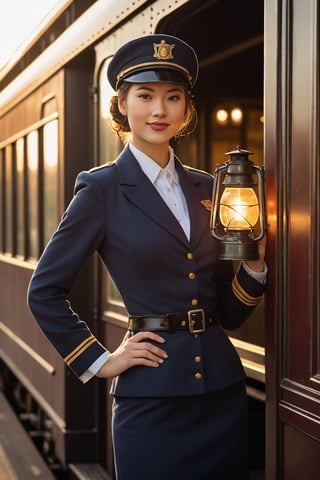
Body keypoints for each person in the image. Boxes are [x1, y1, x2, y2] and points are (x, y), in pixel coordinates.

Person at [28, 34, 267, 480]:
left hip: (221, 394)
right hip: (151, 400)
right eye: (145, 96)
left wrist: (254, 269)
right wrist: (101, 361)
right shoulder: (101, 190)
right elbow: (44, 291)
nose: (159, 111)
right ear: (121, 105)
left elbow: (227, 314)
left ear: (186, 109)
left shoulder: (208, 189)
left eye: (173, 98)